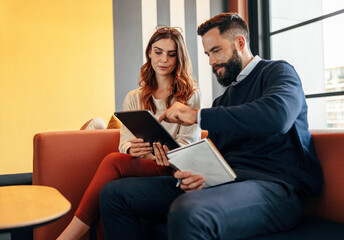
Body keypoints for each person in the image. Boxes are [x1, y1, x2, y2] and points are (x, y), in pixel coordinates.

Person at [100, 12, 323, 240]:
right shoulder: (222, 102)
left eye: (216, 51)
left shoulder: (278, 73)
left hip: (274, 187)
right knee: (115, 194)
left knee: (190, 211)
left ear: (240, 42)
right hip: (225, 182)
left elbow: (278, 117)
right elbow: (216, 157)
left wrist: (197, 116)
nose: (211, 61)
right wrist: (197, 175)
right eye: (208, 54)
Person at [57, 25, 201, 240]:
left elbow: (187, 147)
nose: (163, 60)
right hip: (144, 164)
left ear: (178, 58)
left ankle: (71, 234)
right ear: (149, 53)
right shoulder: (134, 97)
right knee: (115, 167)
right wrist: (132, 148)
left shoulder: (191, 95)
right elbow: (124, 143)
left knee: (113, 162)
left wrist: (152, 154)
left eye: (171, 54)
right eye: (158, 52)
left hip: (172, 169)